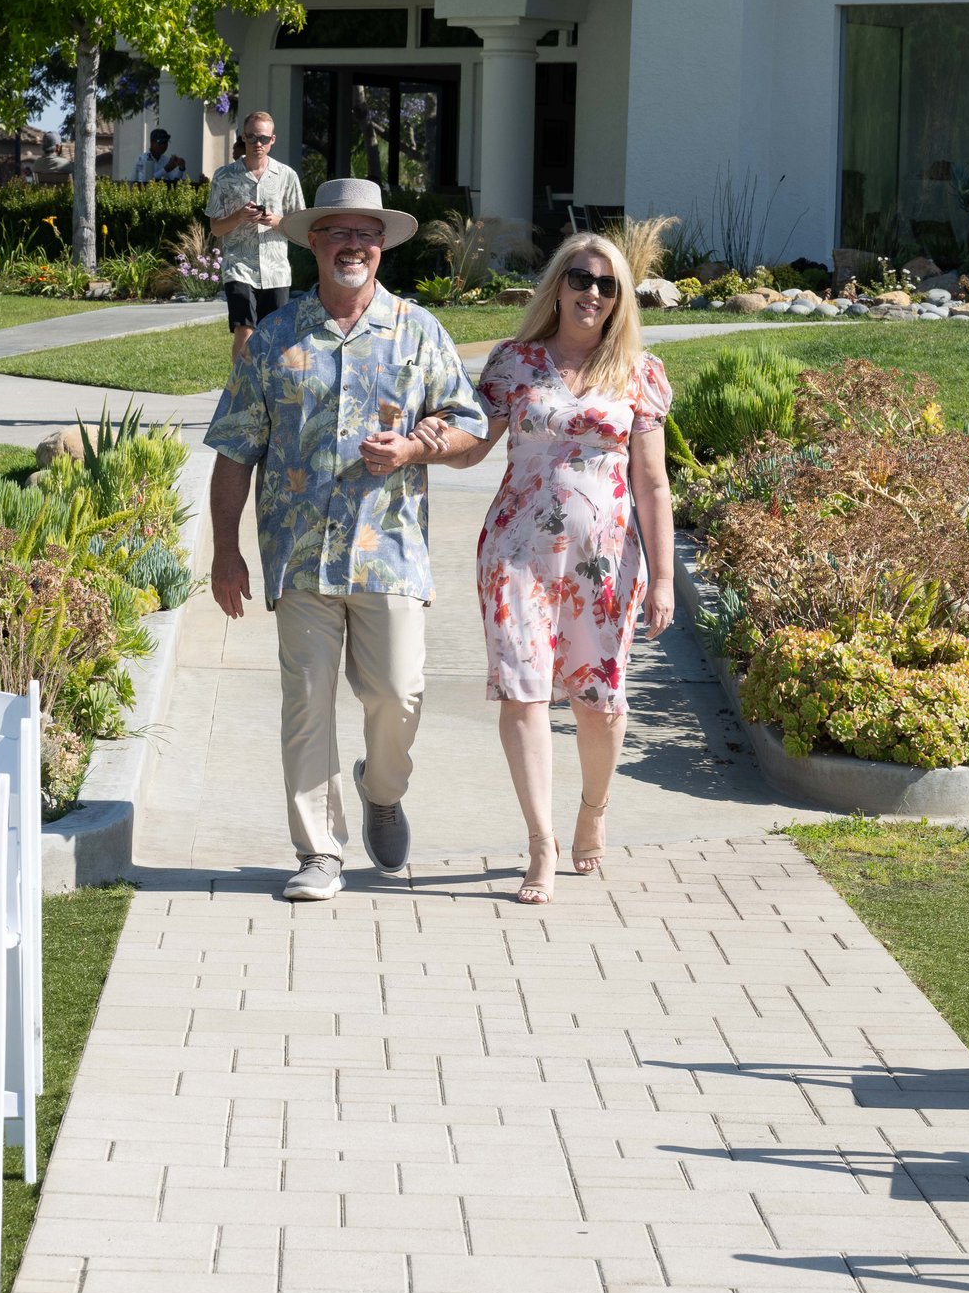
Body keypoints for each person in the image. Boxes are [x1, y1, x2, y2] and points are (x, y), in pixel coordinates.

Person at [204, 176, 486, 902]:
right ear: (314, 244)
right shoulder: (271, 339)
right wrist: (226, 550)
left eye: (366, 233)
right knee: (306, 702)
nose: (353, 245)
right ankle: (319, 851)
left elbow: (471, 426)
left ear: (381, 246)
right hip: (299, 556)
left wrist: (419, 449)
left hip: (388, 552)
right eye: (339, 233)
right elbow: (235, 449)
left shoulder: (419, 332)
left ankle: (381, 788)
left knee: (398, 693)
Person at [416, 233, 676, 904]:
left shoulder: (638, 374)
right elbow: (475, 444)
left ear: (619, 300)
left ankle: (593, 808)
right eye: (581, 278)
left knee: (599, 704)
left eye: (607, 284)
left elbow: (652, 486)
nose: (592, 292)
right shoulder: (514, 363)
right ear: (557, 285)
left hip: (605, 566)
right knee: (524, 692)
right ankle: (540, 844)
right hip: (517, 555)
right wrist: (424, 443)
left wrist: (665, 577)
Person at [207, 109, 307, 366]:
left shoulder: (287, 176)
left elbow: (300, 226)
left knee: (274, 333)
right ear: (243, 137)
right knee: (244, 328)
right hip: (239, 266)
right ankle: (240, 387)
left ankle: (271, 386)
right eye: (251, 138)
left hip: (276, 269)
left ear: (273, 140)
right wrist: (239, 216)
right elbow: (216, 228)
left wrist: (275, 221)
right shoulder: (224, 176)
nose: (257, 144)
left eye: (263, 138)